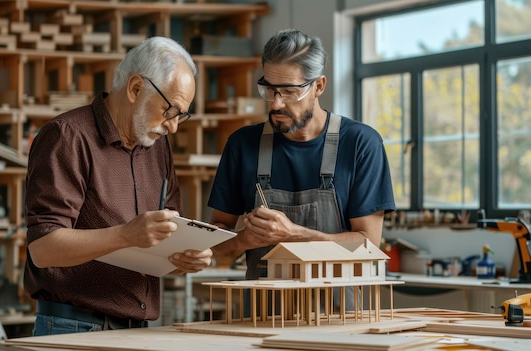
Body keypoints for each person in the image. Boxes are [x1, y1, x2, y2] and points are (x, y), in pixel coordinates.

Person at [24, 36, 213, 336]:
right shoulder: (68, 137)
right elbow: (43, 249)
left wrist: (183, 258)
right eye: (171, 110)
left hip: (137, 330)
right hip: (73, 327)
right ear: (136, 88)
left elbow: (163, 244)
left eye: (182, 115)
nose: (173, 126)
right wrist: (127, 235)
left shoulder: (157, 147)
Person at [208, 29, 396, 309]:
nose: (276, 103)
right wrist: (242, 240)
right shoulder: (242, 145)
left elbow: (368, 248)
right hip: (260, 322)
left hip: (340, 322)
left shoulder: (360, 144)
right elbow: (215, 251)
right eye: (269, 89)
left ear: (319, 86)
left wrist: (293, 234)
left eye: (289, 91)